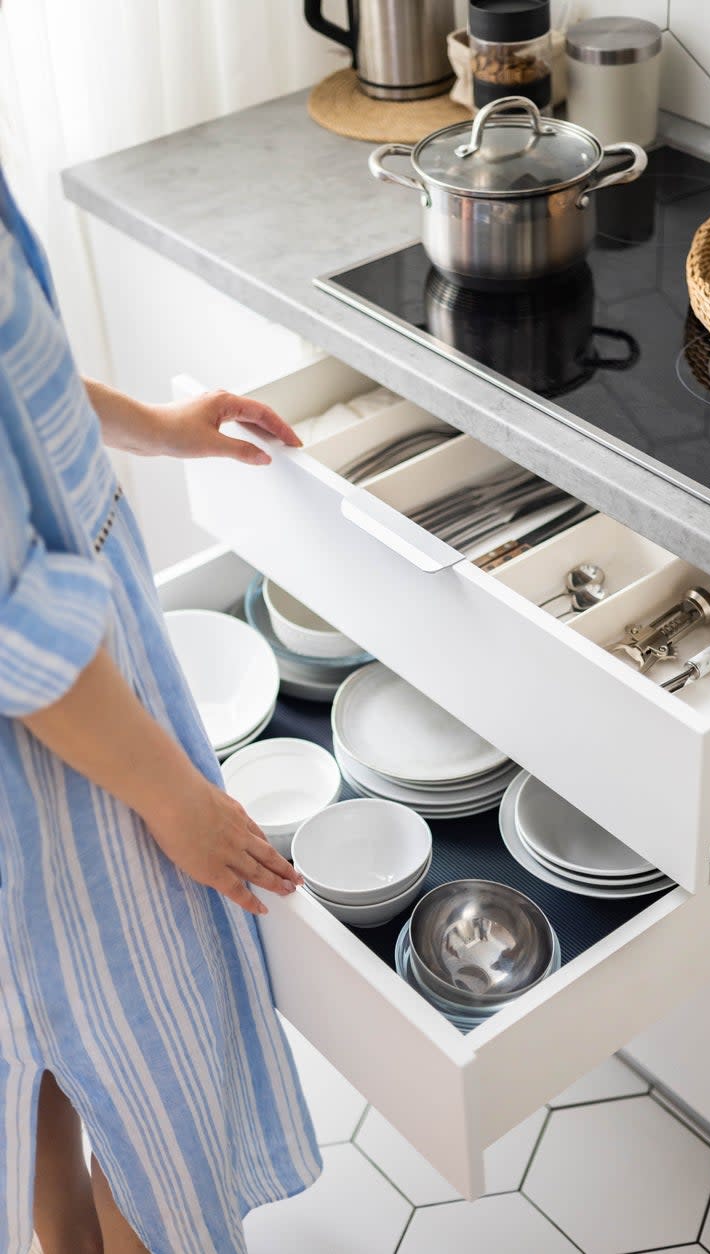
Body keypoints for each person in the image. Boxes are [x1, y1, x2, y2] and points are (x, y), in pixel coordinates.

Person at [0, 158, 322, 1254]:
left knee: (38, 1078)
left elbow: (17, 394)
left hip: (64, 709)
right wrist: (173, 797)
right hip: (57, 749)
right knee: (152, 1099)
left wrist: (158, 427)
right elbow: (12, 625)